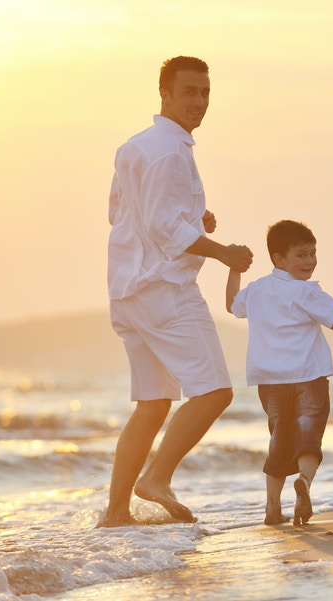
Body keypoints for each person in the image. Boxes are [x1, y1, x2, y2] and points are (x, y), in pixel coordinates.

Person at [100, 56, 254, 527]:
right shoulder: (170, 152)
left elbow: (122, 215)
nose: (199, 102)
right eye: (189, 92)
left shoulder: (135, 146)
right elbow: (164, 226)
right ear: (164, 93)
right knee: (214, 392)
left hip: (127, 292)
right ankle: (157, 477)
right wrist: (224, 251)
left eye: (205, 93)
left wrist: (193, 223)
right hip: (164, 290)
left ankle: (116, 513)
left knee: (153, 404)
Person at [226, 220, 333, 526]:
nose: (310, 261)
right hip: (308, 376)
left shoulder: (257, 290)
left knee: (278, 439)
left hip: (270, 382)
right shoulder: (306, 292)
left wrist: (234, 268)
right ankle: (304, 481)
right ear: (279, 259)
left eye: (313, 253)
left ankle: (272, 508)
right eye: (301, 255)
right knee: (308, 435)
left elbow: (231, 305)